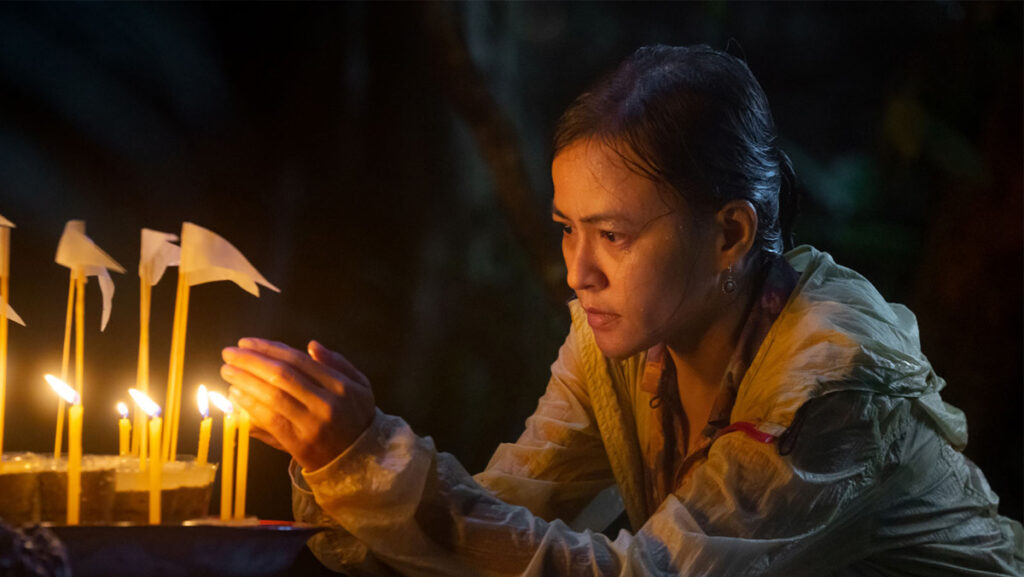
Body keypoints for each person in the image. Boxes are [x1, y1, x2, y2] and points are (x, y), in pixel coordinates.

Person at [220, 45, 1023, 576]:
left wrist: (372, 459)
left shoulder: (830, 380)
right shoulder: (624, 344)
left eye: (614, 234)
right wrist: (338, 460)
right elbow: (504, 518)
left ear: (731, 233)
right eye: (568, 229)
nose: (579, 271)